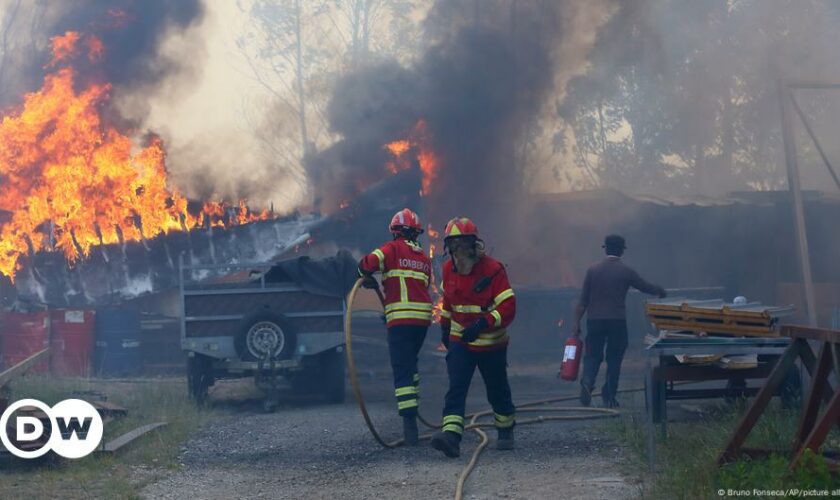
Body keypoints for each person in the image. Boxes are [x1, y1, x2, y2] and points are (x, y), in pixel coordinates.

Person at [430, 217, 516, 458]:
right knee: (456, 388)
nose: (458, 251)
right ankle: (451, 438)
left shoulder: (493, 269)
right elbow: (448, 301)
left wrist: (483, 323)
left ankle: (506, 429)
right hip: (462, 342)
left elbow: (508, 306)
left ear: (474, 244)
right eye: (453, 245)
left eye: (462, 244)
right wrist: (445, 328)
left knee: (497, 389)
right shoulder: (448, 269)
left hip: (491, 343)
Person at [358, 208, 433, 445]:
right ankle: (414, 413)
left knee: (402, 370)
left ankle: (410, 427)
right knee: (411, 365)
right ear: (416, 233)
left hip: (400, 321)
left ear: (395, 232)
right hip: (421, 321)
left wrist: (364, 274)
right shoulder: (423, 258)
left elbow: (368, 263)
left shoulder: (391, 249)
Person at [572, 234, 666, 408]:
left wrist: (576, 324)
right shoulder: (626, 271)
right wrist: (659, 291)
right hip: (617, 321)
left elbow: (583, 301)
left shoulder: (592, 270)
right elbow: (644, 286)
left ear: (605, 249)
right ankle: (609, 396)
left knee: (592, 355)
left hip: (595, 321)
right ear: (622, 251)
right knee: (614, 359)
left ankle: (587, 382)